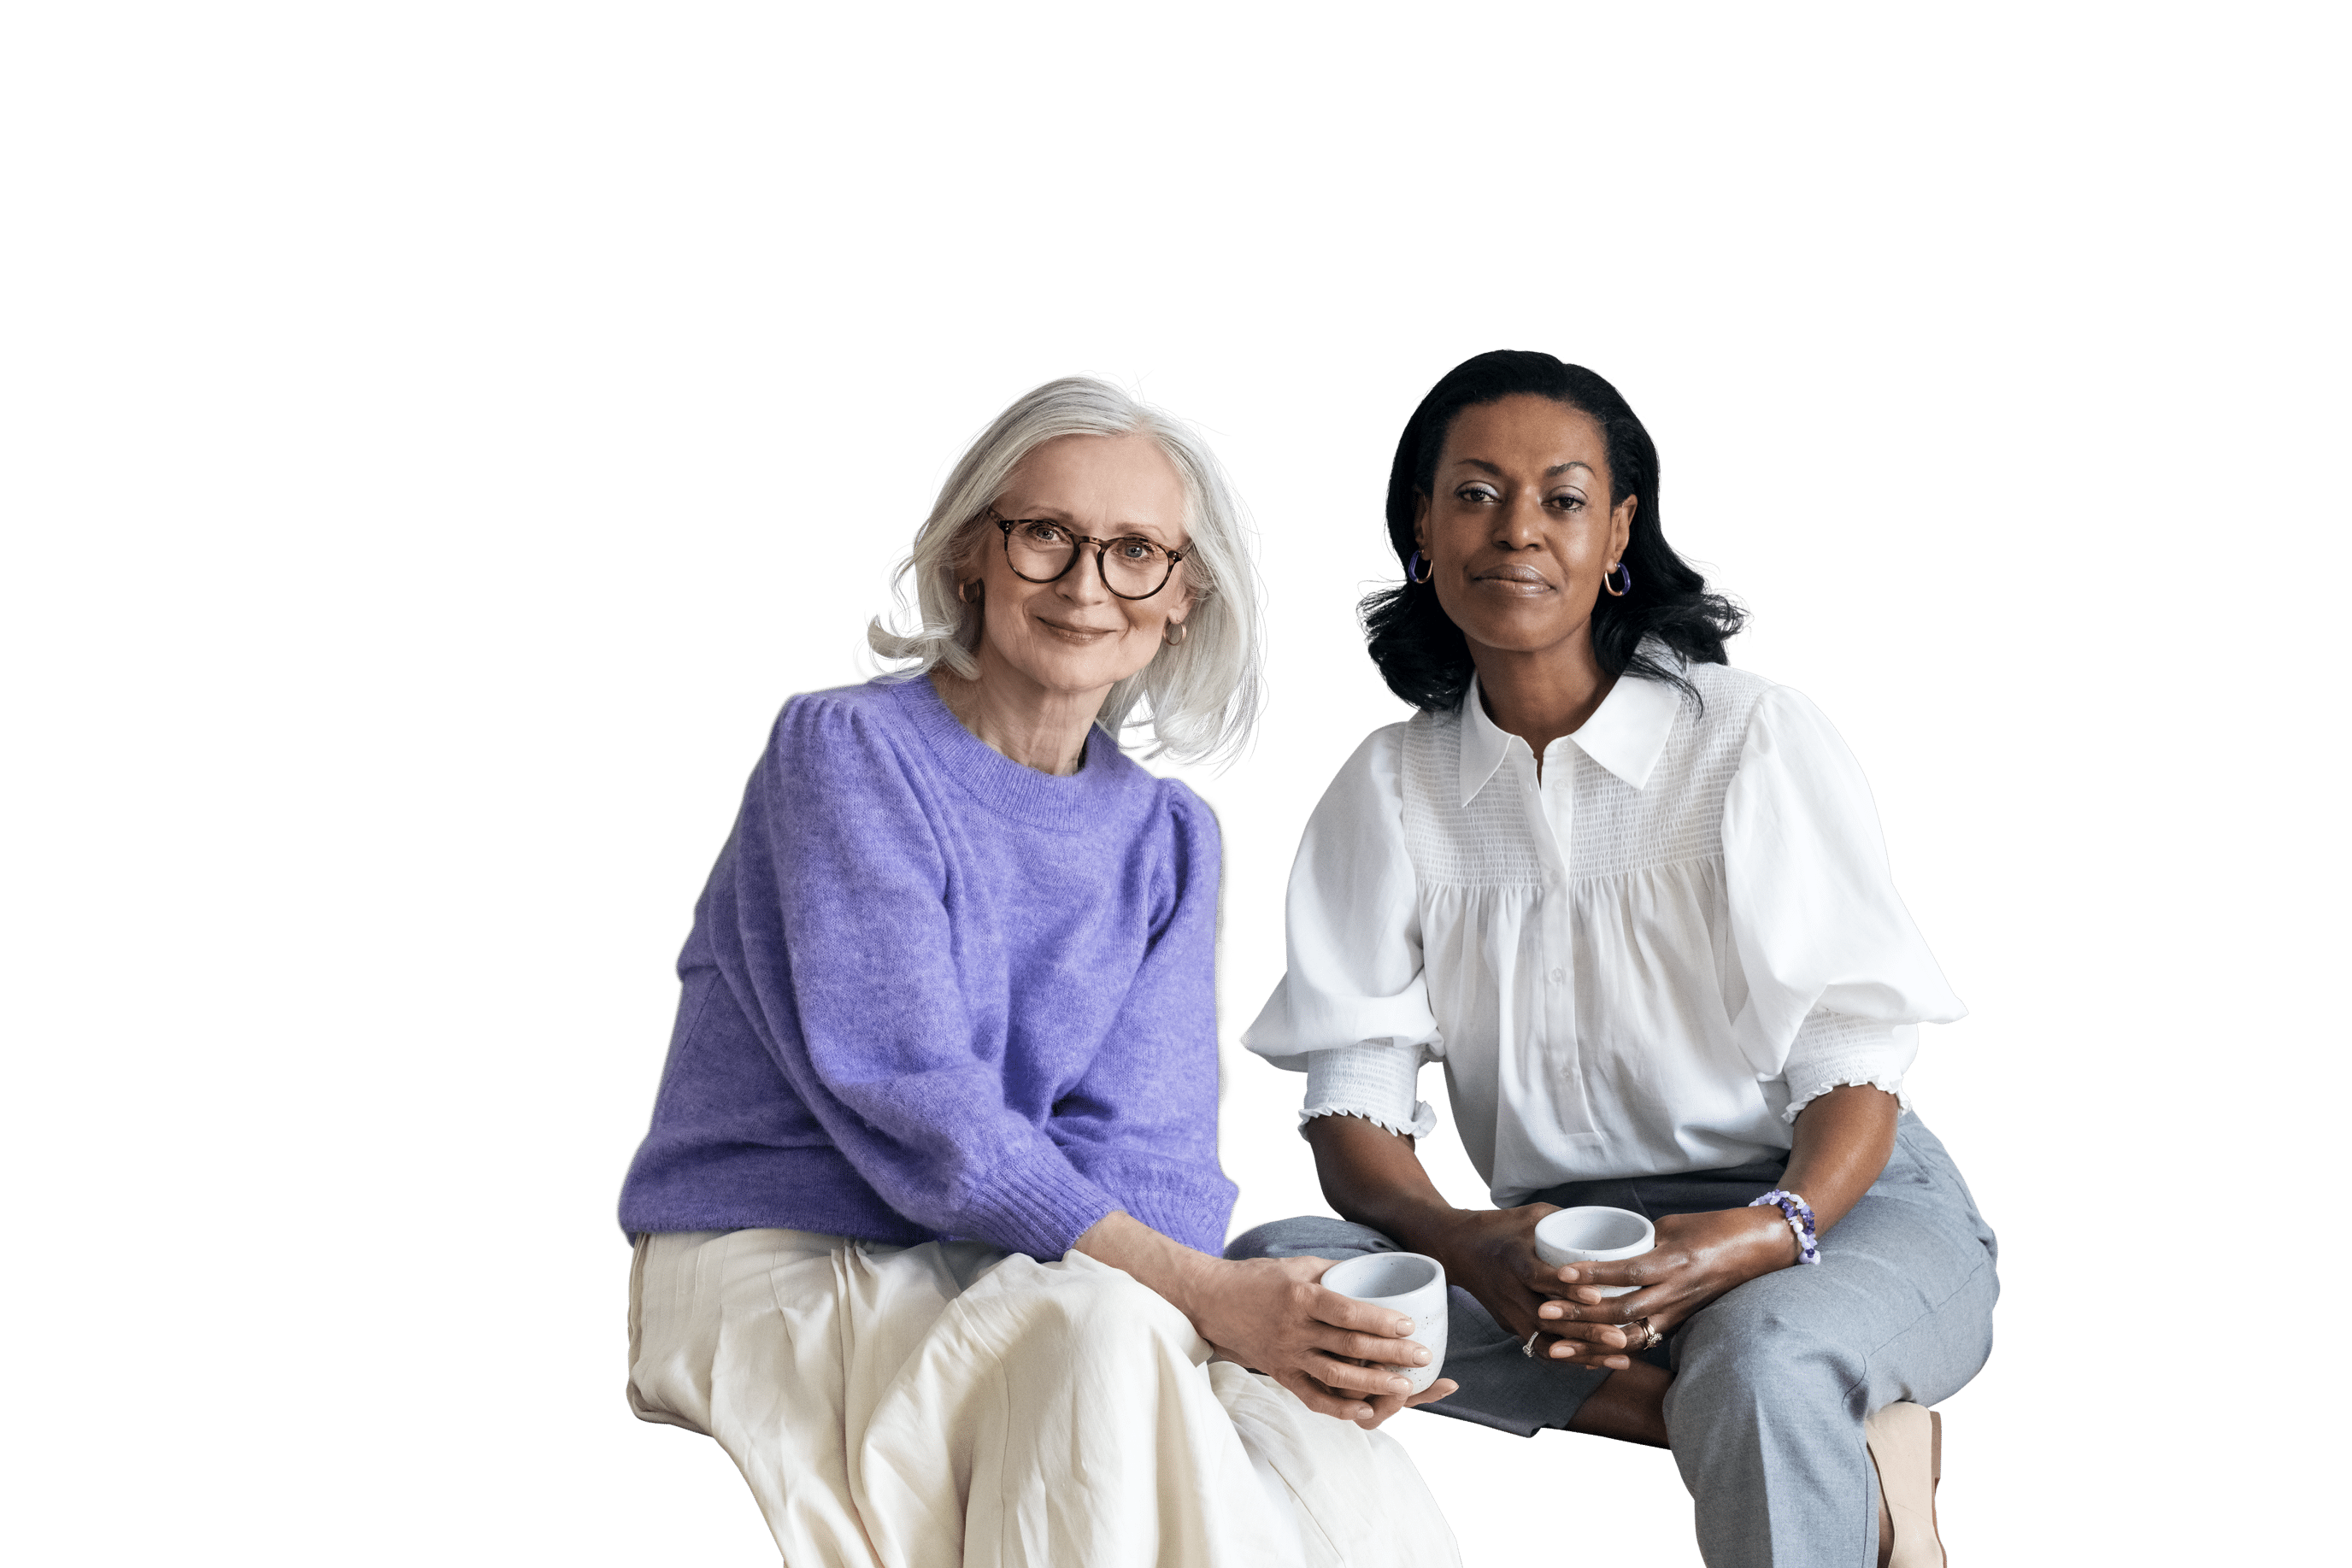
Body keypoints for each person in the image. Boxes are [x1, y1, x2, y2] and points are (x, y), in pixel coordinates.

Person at [614, 373, 1460, 1567]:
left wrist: (1283, 1332)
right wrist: (1212, 1301)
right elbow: (922, 1107)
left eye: (1135, 552)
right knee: (1113, 1340)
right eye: (1046, 536)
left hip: (1027, 1267)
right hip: (792, 1260)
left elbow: (1151, 1162)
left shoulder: (1172, 838)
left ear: (1183, 596)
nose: (1085, 586)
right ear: (971, 554)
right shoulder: (846, 751)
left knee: (1336, 1463)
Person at [1229, 350, 1999, 1568]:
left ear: (1619, 533)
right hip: (1565, 1244)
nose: (1516, 530)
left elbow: (1853, 1059)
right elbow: (1354, 1103)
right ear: (1421, 529)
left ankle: (1775, 1395)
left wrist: (1759, 1233)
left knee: (1765, 1350)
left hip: (1832, 1209)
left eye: (1563, 497)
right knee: (1274, 1279)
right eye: (1474, 494)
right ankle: (1827, 1441)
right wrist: (1467, 1243)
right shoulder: (1387, 788)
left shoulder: (1752, 741)